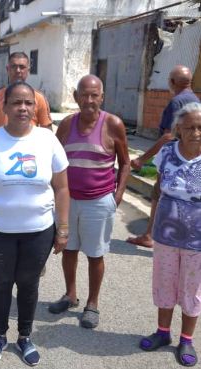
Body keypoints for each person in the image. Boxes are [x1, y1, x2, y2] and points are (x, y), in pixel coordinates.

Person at [0, 81, 70, 365]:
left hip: (38, 231)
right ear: (4, 107)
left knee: (29, 283)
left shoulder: (48, 140)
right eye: (16, 102)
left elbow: (61, 187)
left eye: (28, 103)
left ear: (36, 108)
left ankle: (24, 337)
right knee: (0, 283)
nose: (23, 108)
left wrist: (63, 227)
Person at [48, 75, 130, 329]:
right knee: (68, 249)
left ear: (102, 97)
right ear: (76, 97)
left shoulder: (113, 124)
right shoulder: (66, 125)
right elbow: (54, 160)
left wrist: (116, 197)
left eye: (95, 95)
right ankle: (70, 295)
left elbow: (125, 163)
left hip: (99, 202)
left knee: (95, 255)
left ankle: (92, 304)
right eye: (84, 94)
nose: (89, 100)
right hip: (68, 201)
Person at [139, 102, 201, 367]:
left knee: (192, 289)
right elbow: (157, 189)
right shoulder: (166, 152)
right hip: (165, 236)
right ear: (178, 128)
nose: (196, 132)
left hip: (197, 241)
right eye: (190, 127)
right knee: (164, 284)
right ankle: (163, 333)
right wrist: (150, 226)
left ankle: (186, 339)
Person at [127, 65, 200, 248]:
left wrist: (141, 159)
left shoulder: (176, 102)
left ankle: (150, 235)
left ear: (172, 82)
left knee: (160, 193)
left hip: (174, 159)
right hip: (189, 158)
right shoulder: (195, 100)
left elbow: (168, 137)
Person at [0, 51, 52, 130]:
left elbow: (48, 132)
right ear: (7, 69)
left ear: (28, 70)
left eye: (22, 67)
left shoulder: (39, 98)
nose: (18, 70)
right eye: (14, 67)